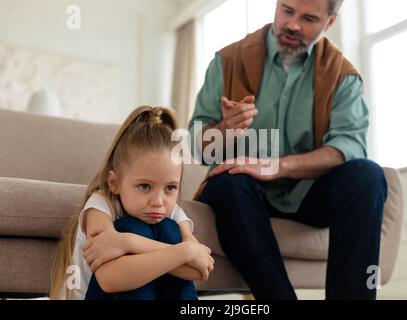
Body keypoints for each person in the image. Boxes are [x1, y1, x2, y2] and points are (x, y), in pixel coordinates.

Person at [188, 0, 387, 300]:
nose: (293, 24)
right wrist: (224, 129)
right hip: (242, 192)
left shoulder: (342, 75)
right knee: (225, 182)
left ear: (329, 22)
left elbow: (350, 145)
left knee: (368, 176)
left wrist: (276, 167)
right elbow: (197, 145)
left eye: (308, 18)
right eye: (287, 10)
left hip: (308, 194)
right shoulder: (227, 61)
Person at [50, 106, 214, 300]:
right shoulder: (100, 207)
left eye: (170, 188)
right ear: (114, 183)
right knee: (131, 226)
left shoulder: (172, 214)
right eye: (144, 186)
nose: (158, 202)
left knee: (169, 228)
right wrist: (183, 252)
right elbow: (109, 279)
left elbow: (198, 269)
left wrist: (127, 242)